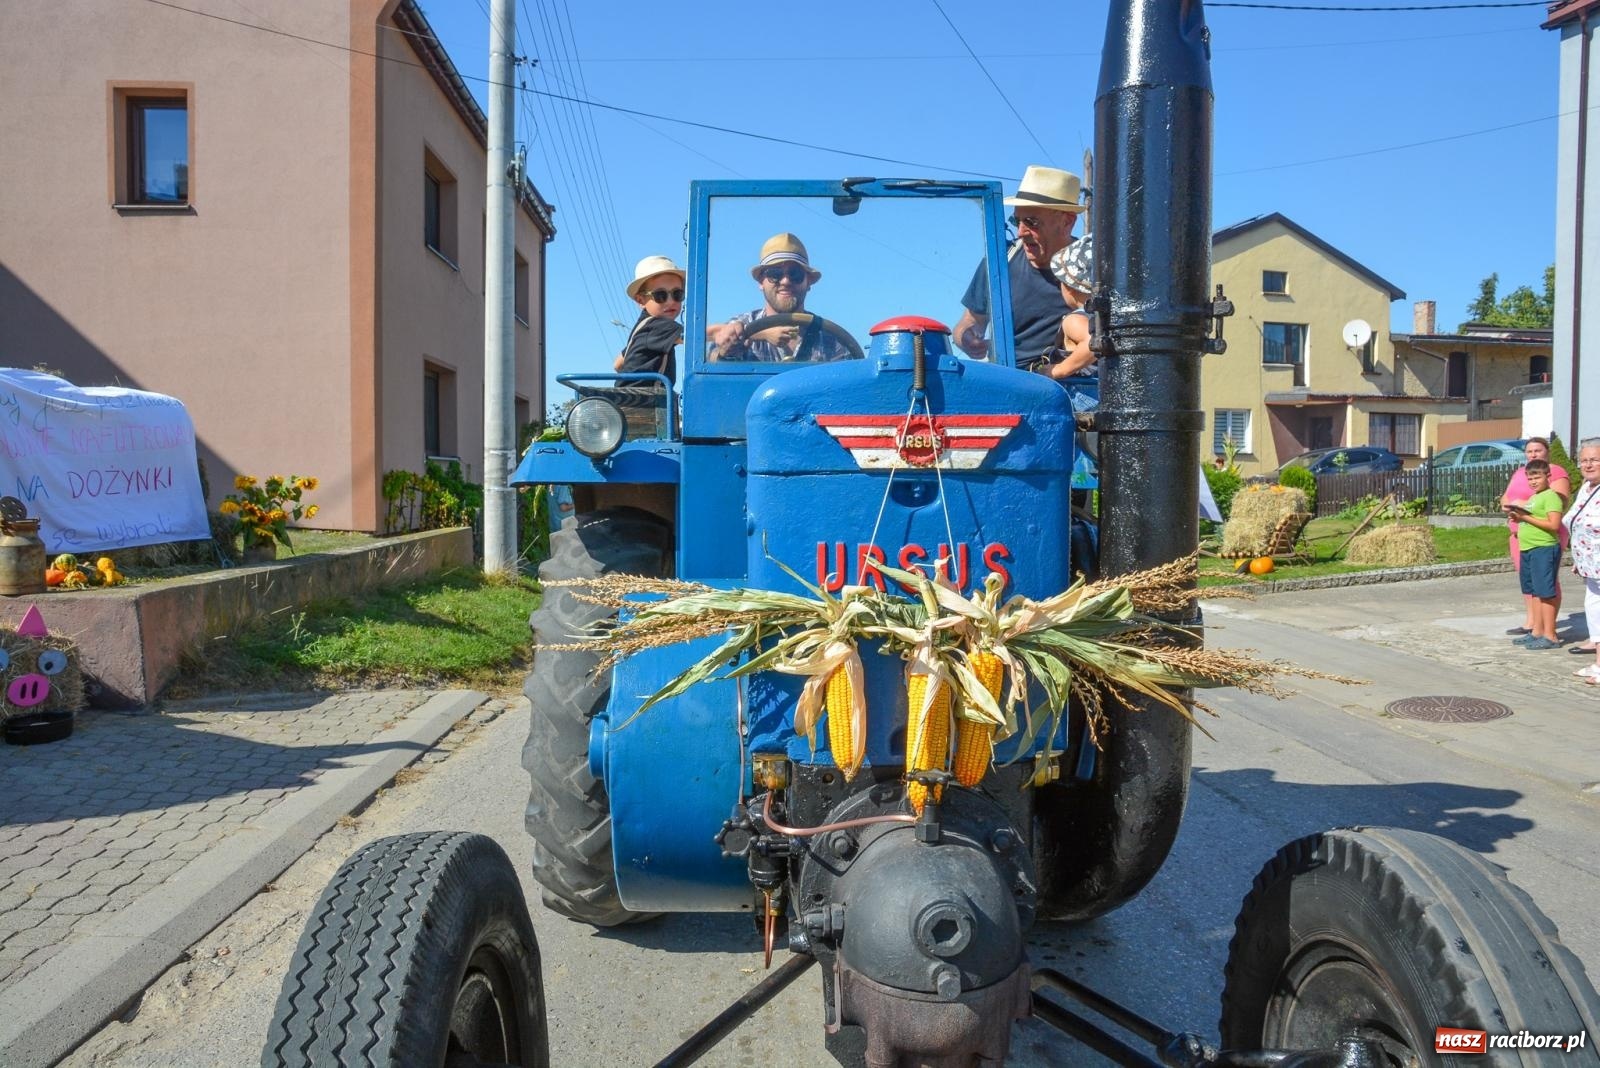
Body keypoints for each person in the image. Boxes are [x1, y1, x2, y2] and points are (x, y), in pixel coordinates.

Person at [952, 165, 1085, 371]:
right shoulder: (1000, 260)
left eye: (1032, 222)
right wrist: (967, 337)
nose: (1021, 232)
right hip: (1007, 380)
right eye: (1017, 220)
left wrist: (1060, 371)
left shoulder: (1089, 269)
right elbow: (969, 322)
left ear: (1067, 222)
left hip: (1062, 384)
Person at [707, 233, 854, 362]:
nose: (785, 281)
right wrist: (724, 352)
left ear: (808, 282)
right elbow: (710, 369)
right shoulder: (741, 324)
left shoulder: (832, 339)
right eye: (774, 274)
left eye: (795, 274)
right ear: (761, 282)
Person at [1501, 437, 1571, 639]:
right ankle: (1533, 624)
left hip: (1544, 539)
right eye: (1529, 451)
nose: (1533, 454)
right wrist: (1510, 505)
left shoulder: (1555, 473)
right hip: (1523, 537)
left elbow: (1558, 502)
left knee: (1546, 584)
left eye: (1538, 450)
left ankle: (1548, 630)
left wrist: (1523, 509)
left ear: (1547, 452)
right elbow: (1506, 496)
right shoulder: (1520, 473)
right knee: (1530, 583)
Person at [614, 255, 686, 384]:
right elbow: (695, 337)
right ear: (640, 300)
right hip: (645, 401)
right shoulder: (658, 326)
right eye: (660, 295)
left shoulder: (642, 328)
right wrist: (727, 330)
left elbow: (618, 364)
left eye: (677, 294)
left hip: (629, 399)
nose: (670, 301)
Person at [1564, 439, 1600, 683]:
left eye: (1595, 459)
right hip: (1590, 565)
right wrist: (1579, 557)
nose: (1588, 464)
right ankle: (1598, 664)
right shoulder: (1586, 488)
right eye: (1584, 460)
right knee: (1594, 613)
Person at [1045, 235, 1095, 380]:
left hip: (1081, 396)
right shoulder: (1108, 318)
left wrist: (1058, 370)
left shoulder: (1074, 320)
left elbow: (1093, 340)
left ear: (1069, 287)